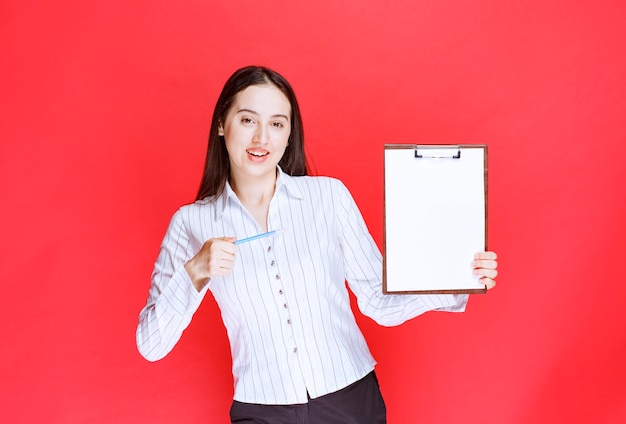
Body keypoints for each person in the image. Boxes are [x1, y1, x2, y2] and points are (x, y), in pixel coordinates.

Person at [136, 66, 498, 424]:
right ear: (221, 124)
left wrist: (458, 277)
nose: (262, 138)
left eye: (277, 124)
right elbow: (151, 345)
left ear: (290, 134)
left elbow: (377, 301)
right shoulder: (190, 223)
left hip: (351, 400)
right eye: (248, 120)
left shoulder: (328, 196)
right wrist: (196, 271)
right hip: (261, 410)